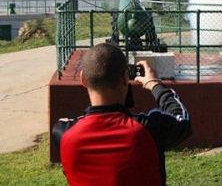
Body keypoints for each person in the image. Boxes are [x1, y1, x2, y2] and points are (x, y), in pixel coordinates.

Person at [52, 43, 191, 186]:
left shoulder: (62, 132)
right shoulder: (149, 129)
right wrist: (154, 84)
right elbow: (181, 119)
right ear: (125, 78)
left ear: (83, 79)